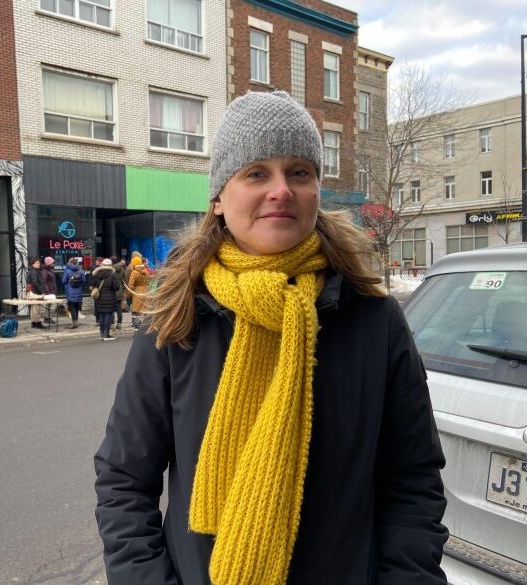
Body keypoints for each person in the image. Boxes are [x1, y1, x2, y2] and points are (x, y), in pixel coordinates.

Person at [94, 91, 448, 585]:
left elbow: (412, 481)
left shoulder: (374, 320)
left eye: (299, 172)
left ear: (316, 190)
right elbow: (124, 482)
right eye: (256, 173)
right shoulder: (176, 320)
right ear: (219, 198)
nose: (281, 189)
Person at [91, 258, 119, 340]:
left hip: (99, 297)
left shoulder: (97, 273)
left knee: (102, 315)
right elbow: (116, 287)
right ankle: (106, 334)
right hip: (110, 297)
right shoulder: (112, 274)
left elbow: (93, 284)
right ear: (110, 265)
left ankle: (102, 334)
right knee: (108, 315)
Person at [126, 256, 150, 331]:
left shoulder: (134, 272)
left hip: (137, 293)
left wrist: (129, 294)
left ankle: (137, 328)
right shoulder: (146, 271)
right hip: (146, 292)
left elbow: (130, 285)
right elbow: (148, 282)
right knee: (145, 311)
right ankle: (145, 327)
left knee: (136, 312)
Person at [63, 257, 86, 329]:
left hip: (70, 291)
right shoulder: (80, 270)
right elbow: (84, 280)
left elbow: (63, 281)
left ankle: (74, 321)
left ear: (69, 262)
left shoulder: (67, 270)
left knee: (71, 306)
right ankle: (76, 321)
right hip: (79, 291)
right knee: (76, 306)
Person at [26, 257, 45, 329]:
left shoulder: (31, 271)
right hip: (35, 293)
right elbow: (35, 283)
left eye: (39, 263)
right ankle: (38, 323)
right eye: (37, 263)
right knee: (36, 308)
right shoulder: (34, 272)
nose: (39, 264)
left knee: (33, 308)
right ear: (32, 264)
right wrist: (41, 291)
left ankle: (34, 323)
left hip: (31, 292)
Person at [41, 256, 58, 325]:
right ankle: (47, 318)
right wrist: (47, 290)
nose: (53, 263)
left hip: (52, 290)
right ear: (48, 263)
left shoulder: (50, 269)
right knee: (48, 305)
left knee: (49, 305)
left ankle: (47, 317)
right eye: (52, 262)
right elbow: (44, 281)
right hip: (49, 291)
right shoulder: (45, 271)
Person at [111, 256, 125, 330]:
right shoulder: (122, 269)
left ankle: (112, 324)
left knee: (112, 309)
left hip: (112, 290)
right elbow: (124, 279)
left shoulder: (111, 269)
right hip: (119, 290)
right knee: (119, 308)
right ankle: (119, 324)